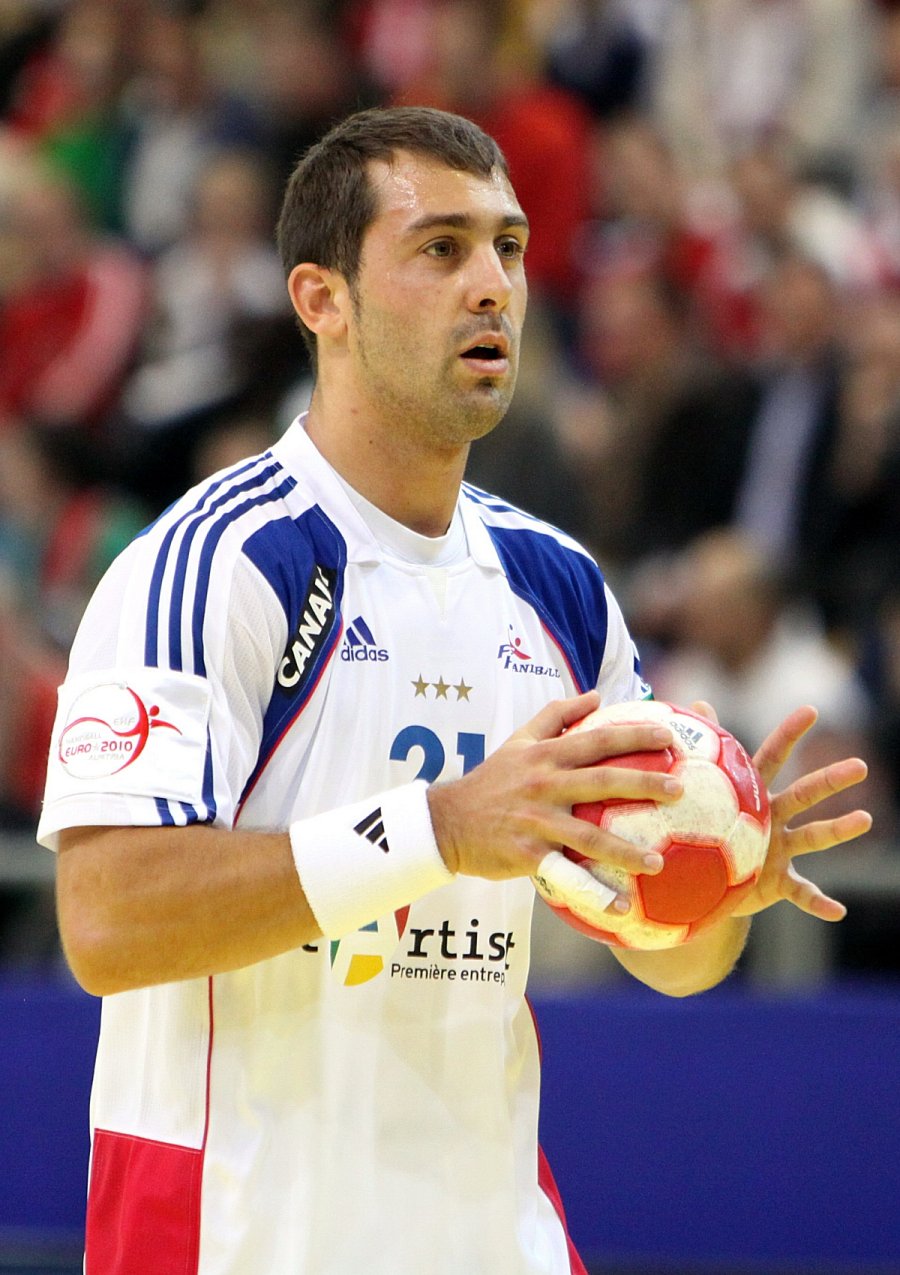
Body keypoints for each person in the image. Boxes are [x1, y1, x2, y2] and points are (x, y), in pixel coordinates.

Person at [39, 106, 871, 1275]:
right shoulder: (214, 563)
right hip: (243, 1236)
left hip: (487, 1235)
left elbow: (664, 958)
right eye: (441, 248)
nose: (493, 286)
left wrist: (718, 886)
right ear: (322, 299)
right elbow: (108, 922)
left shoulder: (559, 585)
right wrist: (437, 829)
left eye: (509, 247)